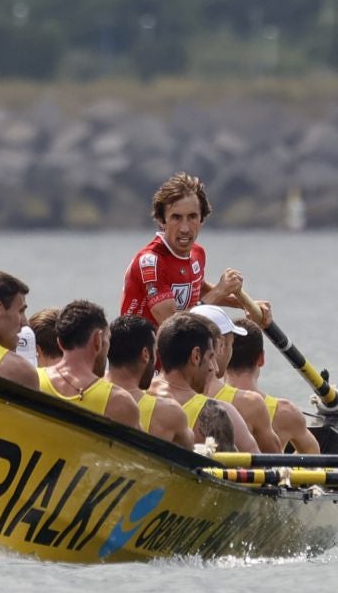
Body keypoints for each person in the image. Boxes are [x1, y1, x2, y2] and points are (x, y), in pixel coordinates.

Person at [119, 171, 266, 329]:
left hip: (178, 342)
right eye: (176, 217)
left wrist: (247, 305)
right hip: (142, 343)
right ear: (162, 220)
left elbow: (198, 289)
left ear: (202, 219)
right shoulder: (150, 262)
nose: (185, 228)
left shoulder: (197, 253)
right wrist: (219, 291)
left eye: (192, 217)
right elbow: (172, 323)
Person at [190, 304, 282, 454]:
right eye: (231, 344)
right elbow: (275, 462)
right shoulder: (250, 403)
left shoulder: (156, 394)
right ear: (221, 345)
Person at [155, 312, 252, 451]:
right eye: (210, 357)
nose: (214, 368)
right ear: (196, 356)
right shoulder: (215, 414)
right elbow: (253, 461)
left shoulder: (134, 399)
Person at [36, 301, 141, 429]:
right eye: (108, 338)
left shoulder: (32, 380)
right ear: (98, 339)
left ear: (60, 343)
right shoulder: (119, 401)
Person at [224, 319, 319, 454]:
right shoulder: (286, 413)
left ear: (220, 356)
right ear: (261, 358)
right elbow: (312, 455)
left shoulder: (205, 400)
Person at [107, 314, 193, 447]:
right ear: (146, 354)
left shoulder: (84, 392)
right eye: (155, 351)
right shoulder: (169, 413)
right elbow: (191, 452)